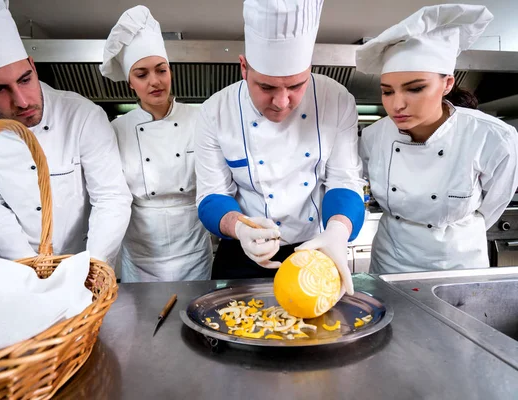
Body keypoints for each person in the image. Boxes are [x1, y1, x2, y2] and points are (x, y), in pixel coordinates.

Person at [0, 0, 132, 265]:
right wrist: (30, 266)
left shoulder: (82, 114)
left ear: (32, 65)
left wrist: (92, 265)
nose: (22, 101)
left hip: (79, 260)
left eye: (25, 79)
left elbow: (111, 196)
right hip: (10, 264)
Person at [195, 0, 365, 295]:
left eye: (297, 86)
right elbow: (213, 195)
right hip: (242, 252)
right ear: (244, 68)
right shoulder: (215, 111)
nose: (282, 102)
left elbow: (344, 180)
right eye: (267, 87)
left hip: (313, 249)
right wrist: (240, 228)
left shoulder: (336, 100)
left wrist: (338, 232)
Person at [356, 4, 518, 274]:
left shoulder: (492, 136)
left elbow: (493, 206)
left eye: (416, 88)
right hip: (390, 262)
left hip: (457, 264)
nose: (397, 105)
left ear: (447, 84)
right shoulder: (373, 136)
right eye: (387, 92)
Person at [99, 6, 212, 282]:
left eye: (161, 70)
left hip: (195, 255)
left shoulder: (202, 118)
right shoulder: (115, 130)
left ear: (170, 72)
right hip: (140, 260)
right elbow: (110, 197)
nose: (155, 81)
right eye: (142, 74)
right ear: (130, 84)